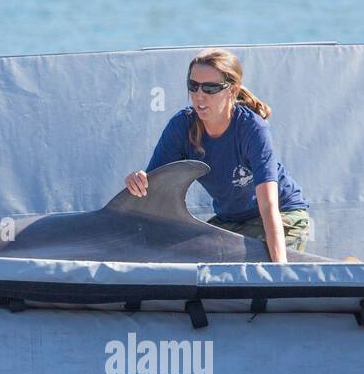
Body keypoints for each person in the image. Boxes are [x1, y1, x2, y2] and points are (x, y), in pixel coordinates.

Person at [124, 48, 309, 262]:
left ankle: (345, 272)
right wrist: (138, 182)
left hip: (283, 214)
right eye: (193, 86)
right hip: (230, 221)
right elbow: (152, 192)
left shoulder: (252, 129)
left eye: (210, 88)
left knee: (245, 263)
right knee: (184, 257)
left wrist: (279, 272)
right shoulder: (181, 126)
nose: (199, 95)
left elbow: (268, 206)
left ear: (232, 90)